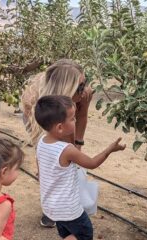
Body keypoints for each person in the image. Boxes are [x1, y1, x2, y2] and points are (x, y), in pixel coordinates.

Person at [35, 95, 126, 240]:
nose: (76, 121)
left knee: (69, 235)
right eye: (72, 119)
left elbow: (40, 171)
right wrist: (110, 149)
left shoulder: (41, 141)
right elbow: (92, 163)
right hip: (68, 208)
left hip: (50, 205)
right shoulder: (67, 150)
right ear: (59, 127)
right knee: (84, 233)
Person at [21, 59, 93, 227]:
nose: (84, 90)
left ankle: (66, 207)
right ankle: (50, 210)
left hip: (64, 112)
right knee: (51, 164)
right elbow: (44, 145)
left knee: (70, 163)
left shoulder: (81, 96)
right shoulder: (36, 103)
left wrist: (77, 145)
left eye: (85, 83)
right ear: (66, 87)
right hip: (39, 118)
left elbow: (79, 127)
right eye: (80, 87)